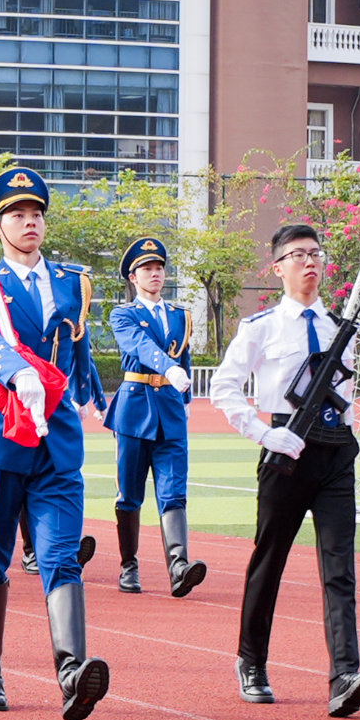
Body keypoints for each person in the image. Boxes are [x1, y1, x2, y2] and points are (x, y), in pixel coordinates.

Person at [211, 223, 360, 718]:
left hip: (335, 454)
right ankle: (252, 662)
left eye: (316, 253)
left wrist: (347, 432)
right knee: (269, 561)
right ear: (278, 267)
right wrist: (265, 433)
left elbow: (346, 393)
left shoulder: (336, 327)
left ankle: (344, 675)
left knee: (340, 569)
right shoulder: (261, 328)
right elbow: (224, 388)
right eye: (298, 255)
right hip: (286, 451)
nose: (310, 262)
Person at [0, 167, 109, 719]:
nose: (30, 222)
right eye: (18, 215)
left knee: (62, 556)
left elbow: (77, 347)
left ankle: (71, 671)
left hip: (58, 438)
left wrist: (94, 397)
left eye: (37, 213)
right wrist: (16, 370)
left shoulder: (71, 282)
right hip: (0, 434)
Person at [106, 237, 205, 599]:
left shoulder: (181, 315)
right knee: (130, 494)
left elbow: (186, 357)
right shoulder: (124, 314)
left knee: (173, 491)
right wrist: (168, 367)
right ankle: (128, 564)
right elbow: (138, 346)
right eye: (147, 269)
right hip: (135, 410)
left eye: (159, 268)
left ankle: (178, 565)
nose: (155, 274)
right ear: (133, 276)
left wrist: (188, 398)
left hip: (171, 410)